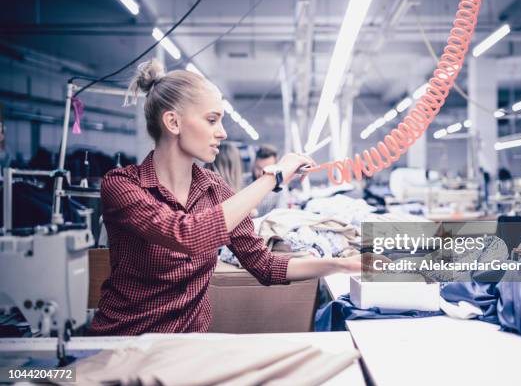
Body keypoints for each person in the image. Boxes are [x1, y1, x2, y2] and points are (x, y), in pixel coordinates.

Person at [87, 59, 362, 335]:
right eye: (211, 120)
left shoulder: (215, 188)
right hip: (124, 343)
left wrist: (342, 264)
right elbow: (186, 235)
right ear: (173, 122)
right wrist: (272, 178)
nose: (223, 132)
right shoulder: (122, 185)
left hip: (187, 350)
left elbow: (264, 265)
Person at [248, 144, 288, 217]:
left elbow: (280, 218)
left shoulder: (280, 190)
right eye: (259, 168)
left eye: (267, 169)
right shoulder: (242, 182)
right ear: (253, 165)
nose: (261, 173)